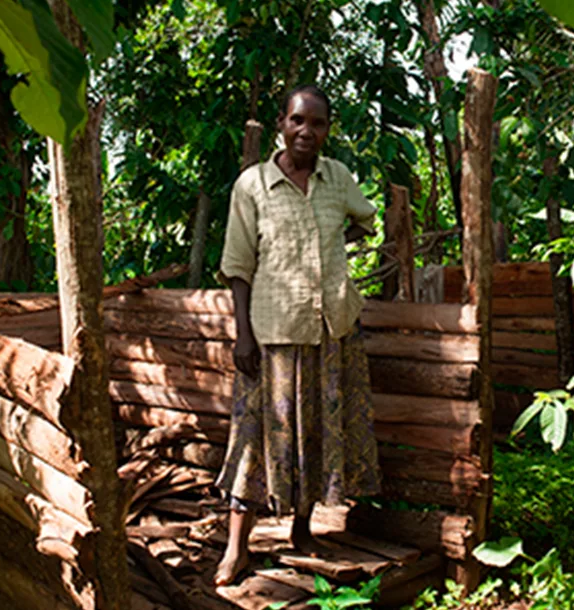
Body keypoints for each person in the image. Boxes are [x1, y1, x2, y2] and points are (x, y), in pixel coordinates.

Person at [213, 84, 381, 586]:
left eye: (318, 123)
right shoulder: (253, 185)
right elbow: (238, 265)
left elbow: (367, 219)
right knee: (255, 439)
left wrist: (334, 243)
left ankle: (301, 531)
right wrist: (242, 335)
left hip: (331, 328)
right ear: (282, 124)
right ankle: (235, 549)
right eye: (297, 121)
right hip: (273, 334)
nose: (307, 131)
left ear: (328, 129)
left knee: (317, 434)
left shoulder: (337, 179)